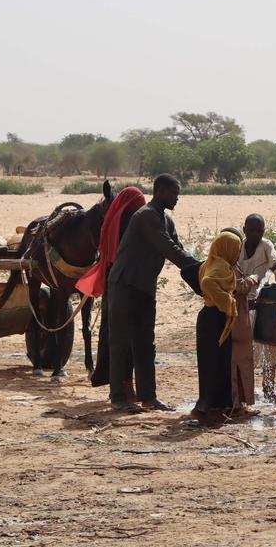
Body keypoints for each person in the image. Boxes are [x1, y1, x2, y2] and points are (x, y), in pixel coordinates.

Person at [106, 174, 199, 413]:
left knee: (146, 343)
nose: (177, 198)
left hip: (145, 286)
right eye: (174, 193)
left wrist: (201, 270)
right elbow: (168, 249)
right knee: (121, 342)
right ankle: (118, 398)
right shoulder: (146, 216)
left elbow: (179, 248)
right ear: (160, 192)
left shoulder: (166, 219)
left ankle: (149, 397)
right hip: (125, 284)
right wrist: (201, 269)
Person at [75, 185, 146, 390]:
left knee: (112, 334)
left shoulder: (114, 223)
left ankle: (115, 383)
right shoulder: (129, 223)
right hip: (122, 286)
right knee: (120, 337)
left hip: (114, 283)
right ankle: (121, 388)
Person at [233, 214, 276, 406]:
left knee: (270, 347)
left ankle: (268, 389)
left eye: (260, 231)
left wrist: (274, 295)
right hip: (238, 300)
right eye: (252, 230)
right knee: (246, 349)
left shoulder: (266, 246)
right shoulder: (236, 246)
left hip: (258, 300)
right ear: (245, 229)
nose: (256, 234)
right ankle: (242, 391)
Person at [193, 230, 242, 417]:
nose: (237, 254)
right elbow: (207, 283)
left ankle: (217, 402)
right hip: (214, 317)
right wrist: (227, 302)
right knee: (213, 361)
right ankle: (207, 403)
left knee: (218, 360)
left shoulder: (211, 262)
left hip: (212, 317)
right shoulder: (220, 266)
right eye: (236, 250)